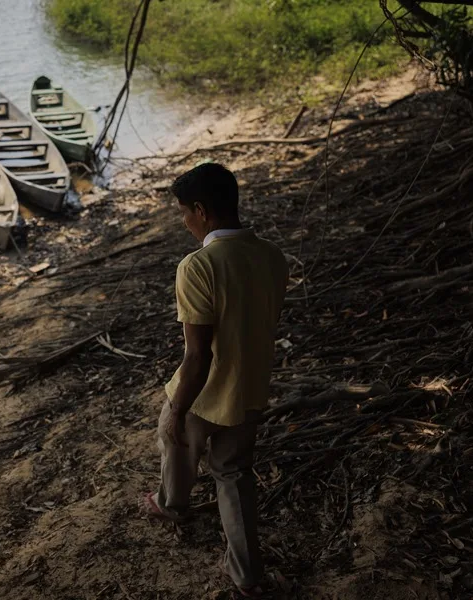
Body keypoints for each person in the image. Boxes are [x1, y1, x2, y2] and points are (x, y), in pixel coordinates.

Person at [141, 162, 288, 598]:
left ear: (202, 211)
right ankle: (247, 575)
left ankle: (172, 505)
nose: (184, 221)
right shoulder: (272, 256)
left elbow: (198, 354)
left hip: (206, 393)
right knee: (233, 474)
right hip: (250, 388)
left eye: (184, 212)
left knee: (175, 439)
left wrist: (178, 408)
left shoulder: (198, 266)